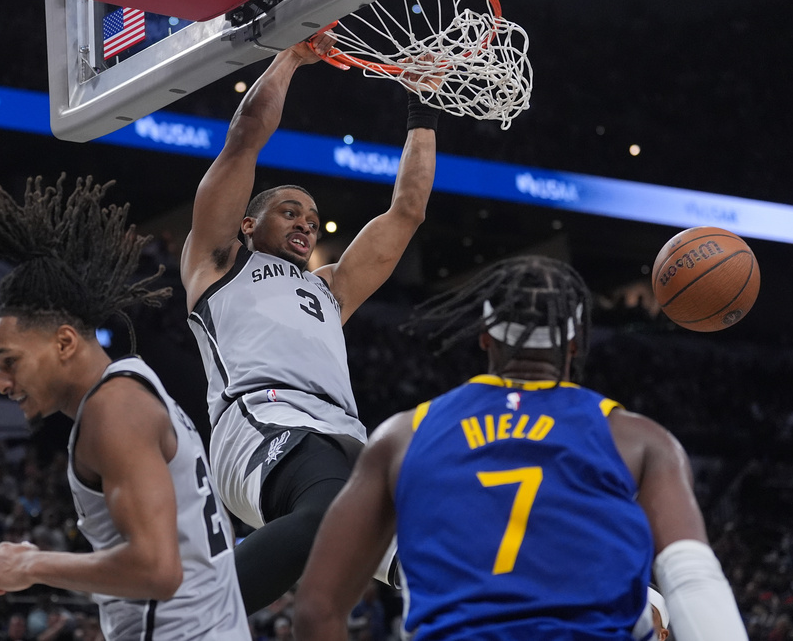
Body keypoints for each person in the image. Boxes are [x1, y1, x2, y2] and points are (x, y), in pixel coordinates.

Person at [293, 255, 749, 641]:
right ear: (574, 344)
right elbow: (693, 580)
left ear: (486, 337)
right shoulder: (639, 439)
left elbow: (316, 608)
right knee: (652, 609)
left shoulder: (402, 435)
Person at [180, 34, 441, 613]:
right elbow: (245, 139)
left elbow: (408, 210)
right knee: (325, 513)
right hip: (259, 421)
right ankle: (188, 622)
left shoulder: (329, 288)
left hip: (342, 436)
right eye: (290, 211)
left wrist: (421, 108)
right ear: (248, 224)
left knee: (442, 559)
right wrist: (291, 57)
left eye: (314, 218)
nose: (306, 223)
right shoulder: (220, 261)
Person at [0, 176, 251, 641]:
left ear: (64, 341)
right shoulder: (132, 387)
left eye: (10, 363)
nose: (2, 384)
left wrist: (32, 564)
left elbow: (157, 570)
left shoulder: (114, 411)